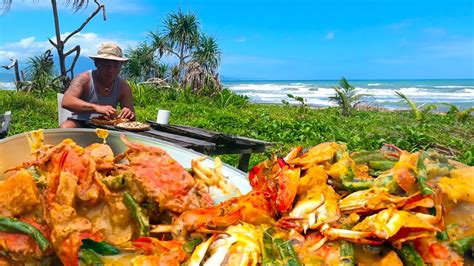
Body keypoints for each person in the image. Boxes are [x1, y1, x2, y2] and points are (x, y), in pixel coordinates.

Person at [60, 42, 135, 128]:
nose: (111, 70)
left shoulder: (123, 87)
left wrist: (129, 114)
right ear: (97, 63)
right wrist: (96, 108)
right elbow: (67, 101)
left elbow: (132, 119)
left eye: (115, 66)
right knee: (66, 127)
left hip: (109, 125)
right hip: (81, 122)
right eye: (107, 65)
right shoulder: (84, 79)